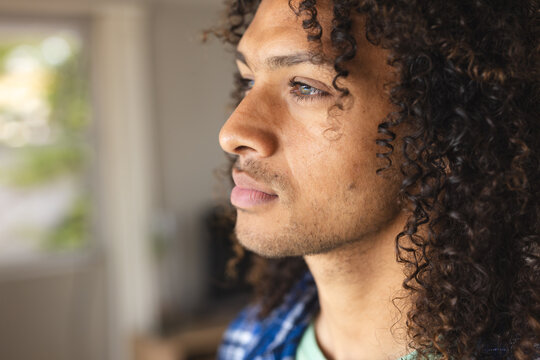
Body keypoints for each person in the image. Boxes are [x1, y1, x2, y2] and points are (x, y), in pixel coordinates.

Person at [211, 0, 539, 359]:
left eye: (306, 87)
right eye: (249, 81)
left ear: (443, 130)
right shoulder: (247, 341)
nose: (231, 132)